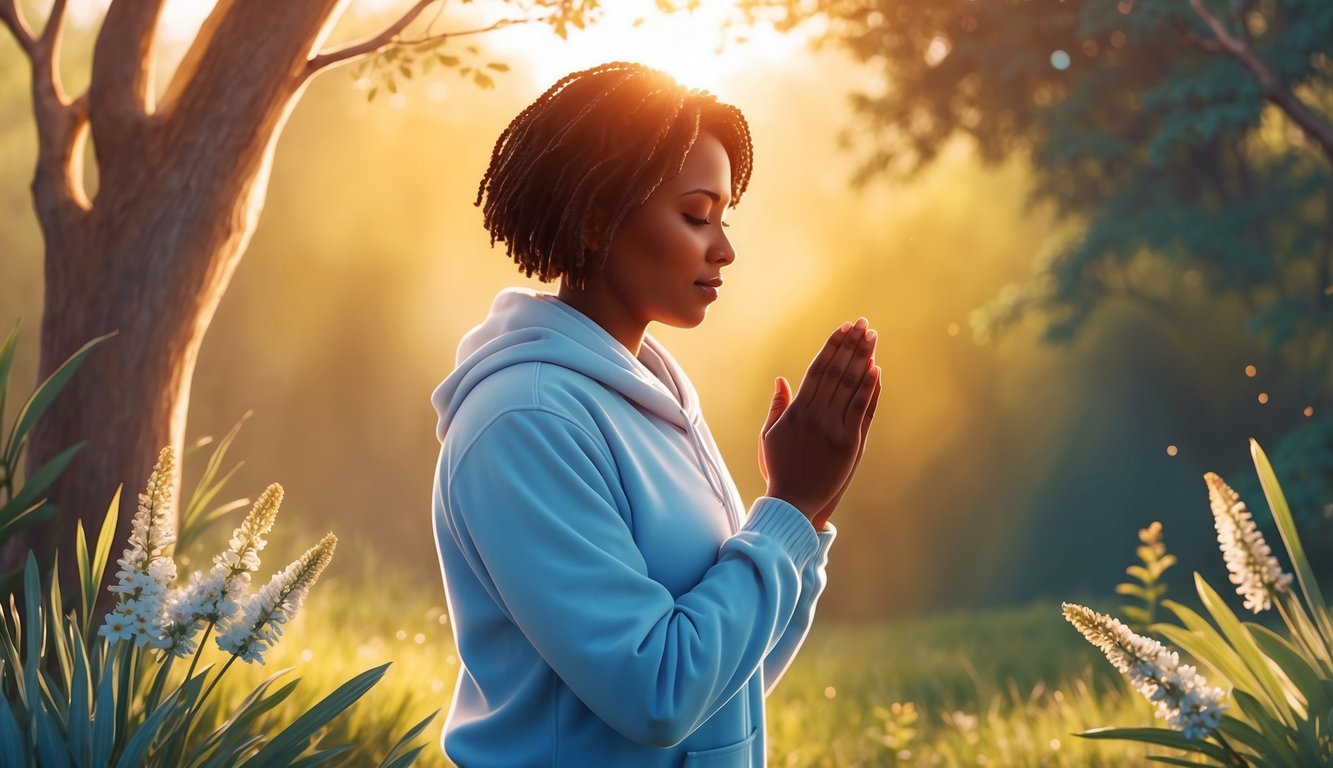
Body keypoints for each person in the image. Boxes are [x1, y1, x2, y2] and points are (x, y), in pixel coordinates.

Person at [430, 61, 881, 767]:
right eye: (697, 216)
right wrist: (785, 507)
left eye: (724, 219)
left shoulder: (655, 394)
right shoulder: (525, 421)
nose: (724, 248)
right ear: (595, 220)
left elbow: (728, 685)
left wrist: (804, 515)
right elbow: (657, 692)